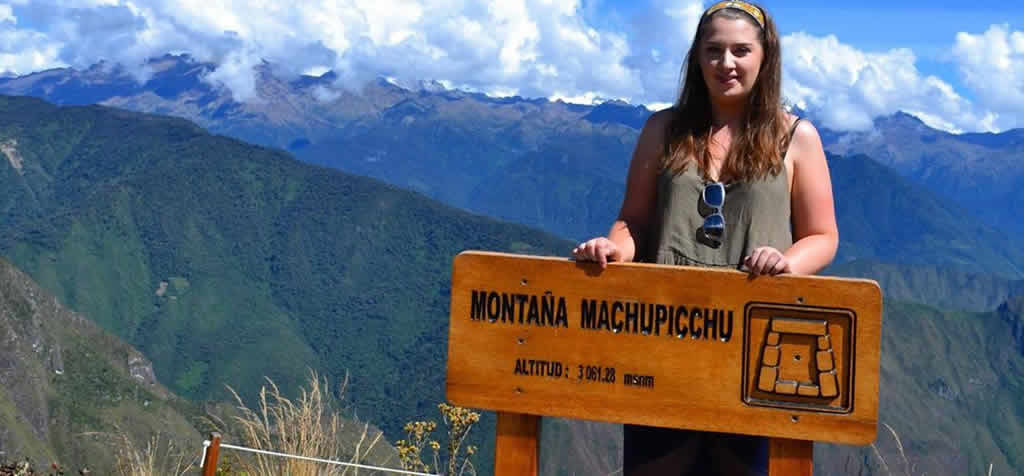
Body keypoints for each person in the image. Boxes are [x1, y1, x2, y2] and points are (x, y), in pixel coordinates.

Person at [571, 1, 839, 474]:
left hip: (754, 351)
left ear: (766, 56)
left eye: (741, 50)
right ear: (697, 57)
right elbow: (634, 221)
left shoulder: (797, 138)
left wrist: (787, 263)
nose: (726, 63)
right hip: (664, 343)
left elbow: (822, 236)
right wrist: (615, 249)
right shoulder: (663, 130)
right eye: (713, 50)